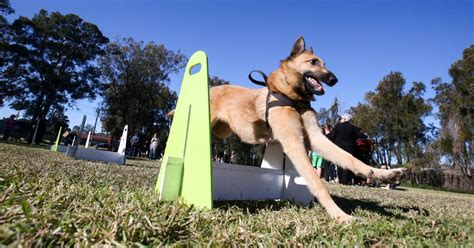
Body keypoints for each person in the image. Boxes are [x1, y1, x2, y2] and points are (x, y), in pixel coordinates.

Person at [328, 114, 367, 185]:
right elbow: (363, 136)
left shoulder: (337, 126)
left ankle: (340, 181)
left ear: (345, 119)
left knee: (339, 164)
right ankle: (345, 182)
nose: (340, 120)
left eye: (341, 118)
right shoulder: (353, 127)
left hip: (338, 148)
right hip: (349, 148)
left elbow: (332, 136)